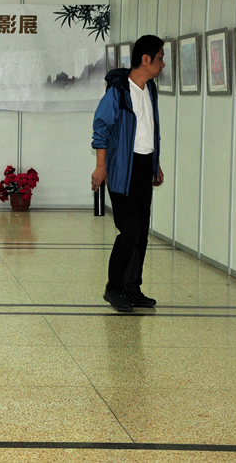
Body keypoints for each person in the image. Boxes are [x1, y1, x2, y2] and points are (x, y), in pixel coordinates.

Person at [91, 35, 165, 312]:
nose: (162, 64)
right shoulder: (118, 91)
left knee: (141, 232)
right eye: (160, 58)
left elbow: (149, 129)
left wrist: (155, 163)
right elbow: (101, 129)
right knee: (129, 231)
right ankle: (113, 288)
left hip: (145, 165)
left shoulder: (150, 89)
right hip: (123, 168)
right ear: (145, 59)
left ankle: (132, 288)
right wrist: (101, 167)